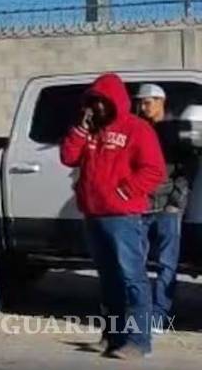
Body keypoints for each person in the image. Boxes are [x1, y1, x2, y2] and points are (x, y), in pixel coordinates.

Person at [61, 73, 166, 360]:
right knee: (109, 280)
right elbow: (68, 157)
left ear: (114, 102)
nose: (96, 108)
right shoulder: (90, 130)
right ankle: (113, 336)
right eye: (92, 103)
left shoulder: (137, 129)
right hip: (94, 215)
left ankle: (138, 341)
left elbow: (153, 169)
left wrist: (125, 191)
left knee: (132, 278)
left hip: (123, 217)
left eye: (101, 102)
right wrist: (80, 130)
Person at [134, 83, 196, 335]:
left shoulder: (173, 130)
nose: (143, 106)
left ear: (161, 101)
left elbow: (186, 169)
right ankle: (141, 314)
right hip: (141, 205)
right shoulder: (138, 129)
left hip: (167, 207)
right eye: (140, 102)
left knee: (166, 264)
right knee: (136, 263)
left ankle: (159, 316)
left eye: (148, 101)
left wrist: (175, 201)